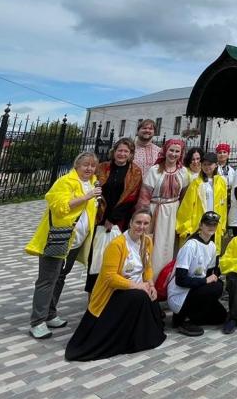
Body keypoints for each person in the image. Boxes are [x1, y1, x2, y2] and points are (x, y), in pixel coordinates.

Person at [64, 208, 165, 361]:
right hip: (113, 293)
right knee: (140, 297)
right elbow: (109, 278)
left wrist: (150, 285)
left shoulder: (147, 241)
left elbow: (148, 266)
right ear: (130, 223)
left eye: (146, 223)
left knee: (151, 302)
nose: (141, 227)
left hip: (137, 290)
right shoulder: (116, 245)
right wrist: (139, 286)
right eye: (138, 222)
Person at [25, 151, 100, 339]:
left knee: (60, 277)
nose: (89, 169)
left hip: (75, 241)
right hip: (58, 238)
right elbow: (59, 207)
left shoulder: (92, 182)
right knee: (47, 279)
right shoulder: (65, 182)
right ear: (77, 166)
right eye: (85, 165)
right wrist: (87, 196)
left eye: (92, 165)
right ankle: (37, 321)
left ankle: (50, 314)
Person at [86, 137, 144, 292]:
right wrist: (103, 217)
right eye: (120, 150)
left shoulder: (135, 172)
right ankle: (94, 294)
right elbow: (93, 186)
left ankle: (114, 292)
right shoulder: (102, 168)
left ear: (131, 154)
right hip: (98, 217)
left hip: (120, 221)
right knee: (97, 258)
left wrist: (112, 219)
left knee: (117, 257)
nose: (122, 154)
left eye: (126, 151)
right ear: (114, 151)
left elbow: (132, 197)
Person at [137, 137, 191, 278]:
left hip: (173, 212)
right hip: (155, 211)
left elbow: (185, 196)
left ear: (181, 154)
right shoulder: (155, 170)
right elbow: (144, 196)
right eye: (171, 150)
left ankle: (165, 280)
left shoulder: (183, 172)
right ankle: (149, 278)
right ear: (165, 151)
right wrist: (144, 216)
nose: (173, 154)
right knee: (153, 246)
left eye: (177, 151)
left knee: (169, 246)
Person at [167, 211, 227, 336]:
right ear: (201, 225)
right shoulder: (190, 246)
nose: (211, 227)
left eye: (214, 224)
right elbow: (180, 280)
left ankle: (194, 316)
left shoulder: (211, 246)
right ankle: (182, 318)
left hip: (196, 289)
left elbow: (210, 273)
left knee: (221, 316)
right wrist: (205, 281)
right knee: (215, 288)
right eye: (208, 224)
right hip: (181, 293)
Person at [176, 149, 228, 252]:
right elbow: (187, 205)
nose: (207, 167)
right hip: (200, 222)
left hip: (215, 222)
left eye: (210, 164)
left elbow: (223, 205)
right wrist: (185, 226)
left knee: (212, 252)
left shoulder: (221, 182)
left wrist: (222, 226)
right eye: (204, 164)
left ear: (216, 165)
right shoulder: (196, 183)